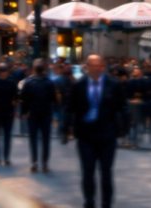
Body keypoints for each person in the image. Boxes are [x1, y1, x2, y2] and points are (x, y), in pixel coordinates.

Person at [66, 53, 125, 208]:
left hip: (107, 134)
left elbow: (123, 107)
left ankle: (106, 204)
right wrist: (65, 129)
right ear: (87, 67)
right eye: (92, 66)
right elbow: (69, 108)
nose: (96, 69)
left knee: (106, 172)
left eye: (99, 66)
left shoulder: (114, 84)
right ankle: (89, 202)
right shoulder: (78, 86)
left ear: (102, 67)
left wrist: (123, 130)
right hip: (86, 135)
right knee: (87, 172)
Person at [20, 58, 59, 173]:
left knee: (33, 139)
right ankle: (44, 164)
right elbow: (53, 100)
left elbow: (24, 99)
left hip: (33, 114)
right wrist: (55, 115)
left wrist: (25, 112)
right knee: (46, 140)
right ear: (43, 70)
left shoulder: (28, 82)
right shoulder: (49, 83)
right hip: (46, 114)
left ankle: (34, 162)